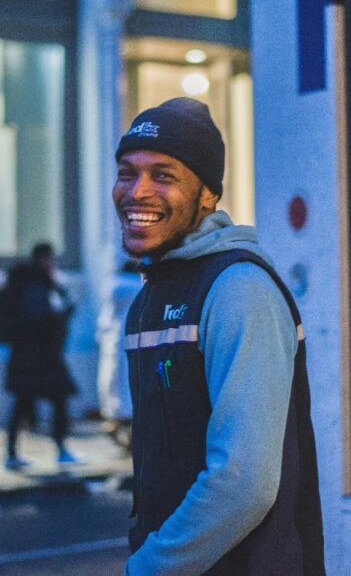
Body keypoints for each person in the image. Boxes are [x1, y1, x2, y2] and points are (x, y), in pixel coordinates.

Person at [113, 98, 325, 574]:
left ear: (208, 194)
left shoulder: (238, 291)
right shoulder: (150, 297)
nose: (136, 192)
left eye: (163, 176)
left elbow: (243, 483)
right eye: (128, 172)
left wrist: (149, 566)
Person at [1, 243, 79, 469]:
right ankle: (59, 450)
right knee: (54, 399)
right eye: (50, 259)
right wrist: (59, 316)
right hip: (38, 357)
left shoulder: (32, 283)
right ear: (42, 260)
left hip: (29, 356)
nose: (52, 264)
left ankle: (13, 453)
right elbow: (40, 320)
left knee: (27, 402)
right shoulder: (36, 285)